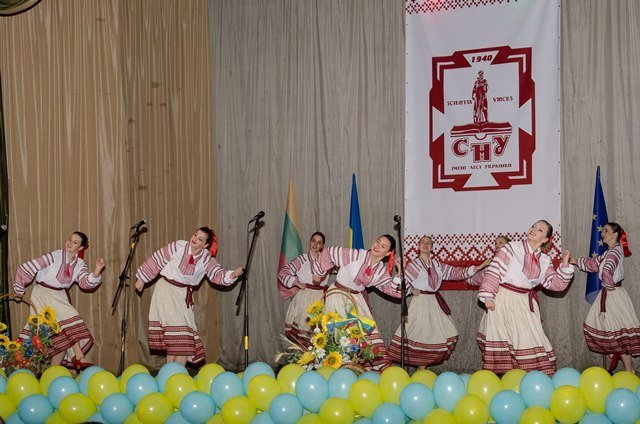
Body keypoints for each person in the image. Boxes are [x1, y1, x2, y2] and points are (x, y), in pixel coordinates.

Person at [478, 220, 574, 376]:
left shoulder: (545, 260)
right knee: (506, 340)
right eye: (533, 226)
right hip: (504, 299)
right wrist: (488, 296)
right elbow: (494, 270)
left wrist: (564, 265)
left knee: (531, 339)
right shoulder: (512, 248)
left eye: (540, 229)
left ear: (545, 239)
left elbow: (555, 284)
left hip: (525, 302)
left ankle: (533, 379)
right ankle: (504, 381)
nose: (534, 229)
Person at [135, 227, 243, 365]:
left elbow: (217, 274)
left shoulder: (206, 259)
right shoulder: (178, 247)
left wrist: (233, 274)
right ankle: (172, 373)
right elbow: (157, 259)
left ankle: (175, 373)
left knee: (182, 340)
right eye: (195, 235)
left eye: (200, 239)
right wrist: (142, 279)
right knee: (178, 337)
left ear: (205, 245)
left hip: (183, 296)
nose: (195, 239)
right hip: (167, 292)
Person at [388, 235, 484, 369]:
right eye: (422, 242)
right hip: (420, 302)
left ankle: (422, 368)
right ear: (418, 246)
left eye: (428, 242)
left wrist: (477, 268)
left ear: (432, 247)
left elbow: (456, 272)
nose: (425, 244)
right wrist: (411, 290)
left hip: (434, 301)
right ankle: (421, 369)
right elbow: (401, 284)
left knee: (450, 331)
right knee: (421, 335)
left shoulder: (437, 265)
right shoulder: (414, 265)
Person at [13, 231, 105, 370]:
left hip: (60, 295)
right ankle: (79, 356)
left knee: (61, 334)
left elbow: (85, 283)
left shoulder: (80, 264)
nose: (70, 243)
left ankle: (54, 370)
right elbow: (26, 268)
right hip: (43, 294)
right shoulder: (54, 256)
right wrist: (19, 291)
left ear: (80, 248)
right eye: (70, 239)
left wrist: (97, 270)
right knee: (57, 325)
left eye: (75, 242)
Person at [312, 234, 401, 370]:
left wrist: (400, 273)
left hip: (356, 299)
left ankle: (370, 369)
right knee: (338, 334)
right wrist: (318, 273)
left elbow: (392, 290)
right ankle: (335, 369)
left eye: (383, 246)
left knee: (367, 333)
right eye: (377, 241)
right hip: (338, 295)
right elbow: (329, 252)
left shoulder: (380, 271)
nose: (377, 246)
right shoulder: (356, 255)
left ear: (388, 253)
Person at [570, 222, 640, 374]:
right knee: (608, 329)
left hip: (613, 293)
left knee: (617, 332)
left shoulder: (614, 252)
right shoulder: (610, 252)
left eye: (606, 231)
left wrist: (608, 286)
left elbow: (607, 270)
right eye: (602, 231)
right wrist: (575, 261)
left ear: (615, 235)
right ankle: (614, 355)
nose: (603, 233)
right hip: (610, 292)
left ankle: (629, 369)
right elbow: (594, 264)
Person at [278, 232, 328, 347]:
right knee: (303, 336)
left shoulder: (326, 261)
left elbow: (341, 267)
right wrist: (297, 283)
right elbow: (283, 272)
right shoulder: (302, 259)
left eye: (319, 243)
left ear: (322, 246)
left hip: (321, 298)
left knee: (319, 338)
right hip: (305, 298)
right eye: (313, 241)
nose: (315, 245)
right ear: (310, 241)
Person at [467, 235, 511, 353]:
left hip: (510, 302)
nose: (497, 245)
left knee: (510, 333)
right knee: (493, 333)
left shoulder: (513, 261)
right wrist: (470, 274)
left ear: (508, 246)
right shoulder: (492, 264)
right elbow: (477, 279)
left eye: (500, 243)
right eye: (495, 243)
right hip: (494, 301)